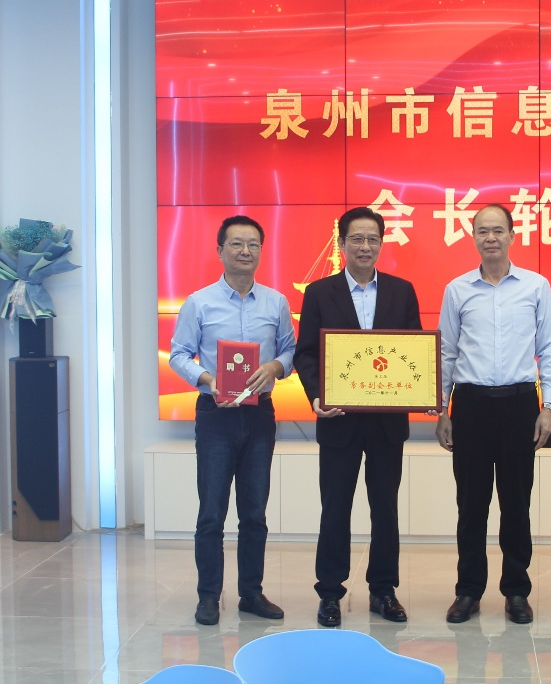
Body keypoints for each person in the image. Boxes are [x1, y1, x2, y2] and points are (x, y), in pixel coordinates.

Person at [293, 207, 422, 628]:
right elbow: (306, 354)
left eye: (372, 239)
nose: (365, 246)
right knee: (335, 508)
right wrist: (317, 395)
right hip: (338, 418)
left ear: (382, 243)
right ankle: (330, 593)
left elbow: (414, 351)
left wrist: (421, 391)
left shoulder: (402, 291)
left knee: (386, 510)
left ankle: (383, 590)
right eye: (357, 239)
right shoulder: (319, 293)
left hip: (387, 422)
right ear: (342, 244)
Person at [435, 203, 551, 625]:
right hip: (470, 406)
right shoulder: (457, 290)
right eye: (482, 231)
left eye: (498, 230)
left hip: (519, 405)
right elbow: (447, 352)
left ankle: (517, 591)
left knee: (516, 503)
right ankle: (468, 591)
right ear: (473, 237)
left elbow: (549, 350)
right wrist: (442, 409)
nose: (490, 238)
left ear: (511, 235)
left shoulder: (536, 286)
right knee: (471, 504)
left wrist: (548, 407)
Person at [169, 214, 296, 626]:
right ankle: (209, 595)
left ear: (261, 250)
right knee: (211, 512)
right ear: (220, 250)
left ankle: (251, 594)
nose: (245, 251)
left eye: (253, 245)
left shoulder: (276, 302)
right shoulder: (199, 302)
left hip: (259, 415)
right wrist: (208, 380)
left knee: (254, 512)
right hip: (215, 416)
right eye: (237, 244)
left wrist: (275, 366)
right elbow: (178, 354)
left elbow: (290, 352)